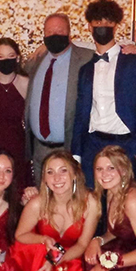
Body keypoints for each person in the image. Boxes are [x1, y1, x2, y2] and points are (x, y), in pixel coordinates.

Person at [72, 0, 136, 187]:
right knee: (94, 206)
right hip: (92, 145)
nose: (103, 26)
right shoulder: (85, 69)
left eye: (108, 22)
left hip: (126, 144)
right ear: (89, 26)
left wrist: (135, 147)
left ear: (116, 26)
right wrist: (77, 153)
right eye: (98, 22)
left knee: (125, 207)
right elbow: (81, 114)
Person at [24, 14, 94, 186]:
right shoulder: (36, 60)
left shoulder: (87, 58)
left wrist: (132, 49)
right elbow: (11, 68)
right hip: (39, 150)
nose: (54, 35)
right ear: (44, 35)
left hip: (70, 148)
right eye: (50, 31)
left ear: (70, 33)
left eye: (60, 30)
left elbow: (112, 55)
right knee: (43, 203)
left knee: (70, 202)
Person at [0, 38, 30, 192]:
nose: (5, 60)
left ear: (18, 57)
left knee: (16, 187)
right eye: (0, 57)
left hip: (16, 143)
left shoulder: (25, 82)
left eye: (10, 55)